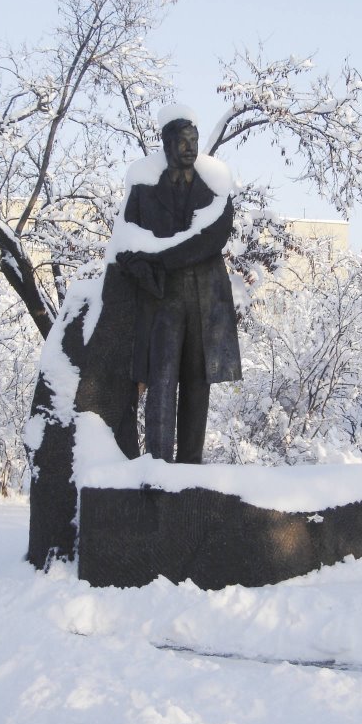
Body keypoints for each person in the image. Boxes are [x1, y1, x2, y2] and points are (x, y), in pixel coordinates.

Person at [116, 111, 242, 463]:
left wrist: (159, 257)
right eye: (182, 141)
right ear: (167, 144)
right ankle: (158, 467)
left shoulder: (215, 189)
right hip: (162, 303)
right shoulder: (143, 192)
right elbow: (125, 248)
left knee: (196, 388)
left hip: (206, 303)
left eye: (194, 141)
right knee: (161, 385)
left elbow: (212, 239)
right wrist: (143, 266)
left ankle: (190, 470)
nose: (190, 148)